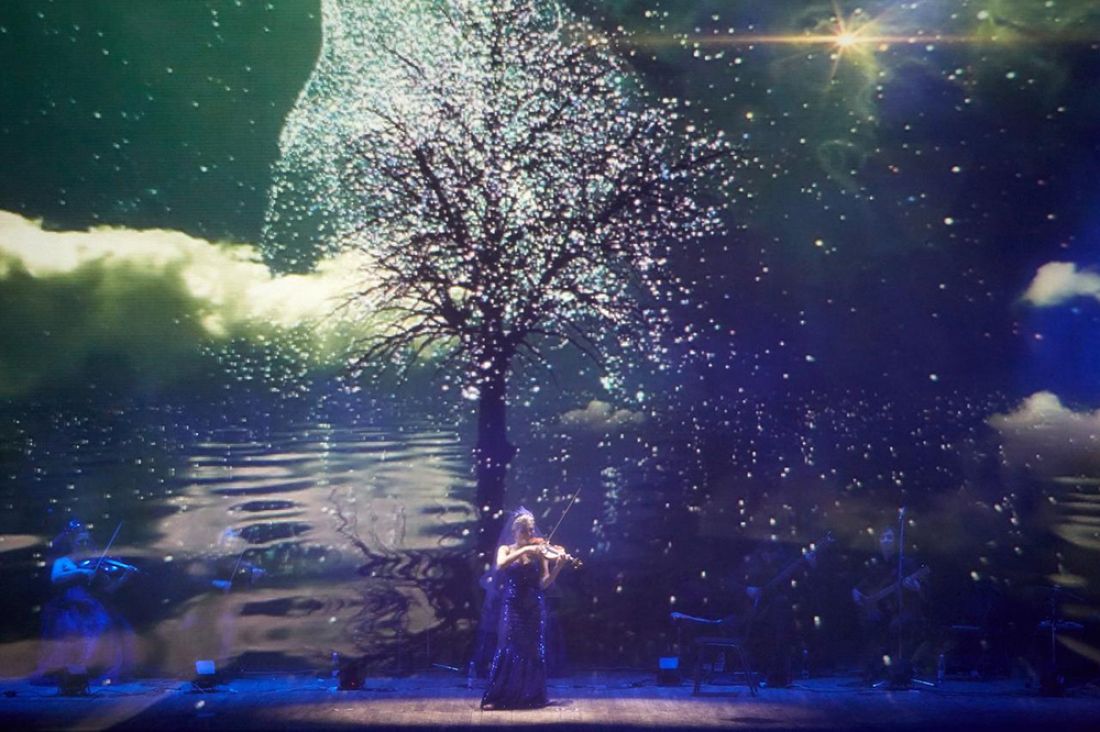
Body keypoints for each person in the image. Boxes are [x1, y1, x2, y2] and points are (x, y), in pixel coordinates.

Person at [480, 508, 567, 710]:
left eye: (531, 530)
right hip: (513, 606)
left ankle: (532, 696)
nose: (530, 534)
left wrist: (558, 567)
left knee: (533, 650)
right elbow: (500, 565)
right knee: (509, 647)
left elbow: (544, 583)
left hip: (534, 607)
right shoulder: (506, 549)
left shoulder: (539, 554)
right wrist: (524, 550)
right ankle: (502, 696)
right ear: (515, 531)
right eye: (525, 530)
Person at [39, 519, 136, 684]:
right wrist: (81, 572)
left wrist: (125, 577)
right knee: (71, 635)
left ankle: (93, 671)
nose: (84, 545)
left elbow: (108, 589)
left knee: (103, 629)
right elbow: (55, 578)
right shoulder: (64, 561)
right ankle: (72, 673)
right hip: (70, 608)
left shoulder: (94, 564)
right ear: (72, 543)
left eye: (86, 541)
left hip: (93, 607)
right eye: (80, 542)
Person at [851, 526, 929, 685]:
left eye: (889, 537)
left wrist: (916, 586)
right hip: (885, 608)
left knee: (898, 625)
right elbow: (865, 583)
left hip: (905, 608)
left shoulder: (907, 563)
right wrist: (856, 591)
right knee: (870, 622)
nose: (886, 540)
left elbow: (925, 589)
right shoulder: (877, 564)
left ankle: (899, 672)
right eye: (883, 537)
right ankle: (874, 671)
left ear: (896, 541)